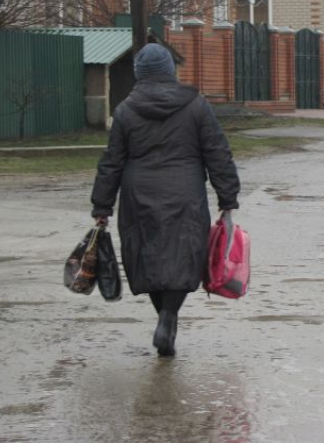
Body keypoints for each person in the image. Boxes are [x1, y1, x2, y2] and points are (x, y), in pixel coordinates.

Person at [90, 43, 240, 357]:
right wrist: (227, 196)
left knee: (148, 256)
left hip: (139, 194)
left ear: (140, 74)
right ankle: (169, 316)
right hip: (185, 191)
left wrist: (102, 205)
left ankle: (163, 316)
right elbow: (217, 151)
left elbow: (112, 161)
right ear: (170, 71)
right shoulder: (196, 105)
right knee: (183, 254)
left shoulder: (126, 110)